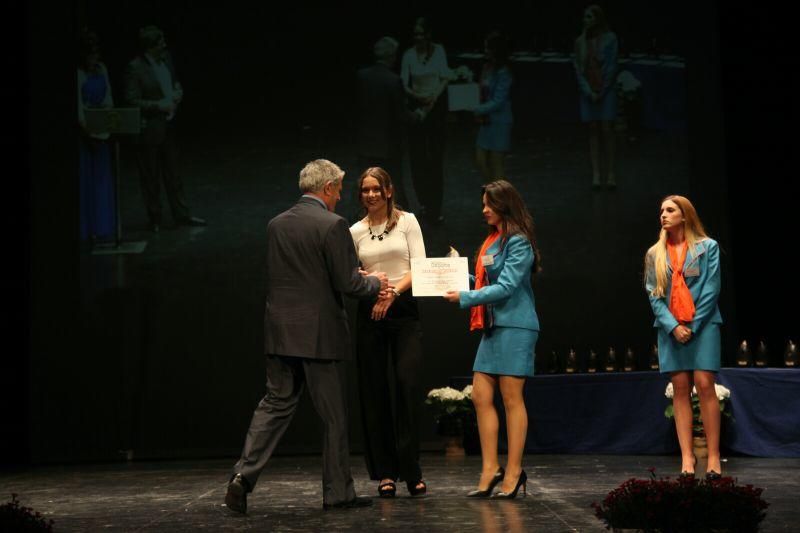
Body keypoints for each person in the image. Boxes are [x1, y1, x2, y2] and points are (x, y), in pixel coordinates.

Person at [224, 159, 389, 513]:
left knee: (275, 405)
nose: (341, 197)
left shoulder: (276, 225)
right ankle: (338, 493)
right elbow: (348, 283)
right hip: (319, 336)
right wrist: (376, 282)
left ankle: (242, 477)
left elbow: (298, 275)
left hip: (281, 331)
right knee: (333, 417)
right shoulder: (333, 225)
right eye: (340, 190)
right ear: (328, 188)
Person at [443, 180, 541, 499]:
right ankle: (490, 469)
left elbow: (507, 287)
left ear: (504, 205)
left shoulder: (519, 241)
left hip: (515, 326)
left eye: (489, 204)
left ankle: (514, 472)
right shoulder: (493, 240)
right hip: (493, 327)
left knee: (512, 399)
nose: (483, 210)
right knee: (481, 396)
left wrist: (465, 296)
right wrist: (455, 274)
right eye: (483, 203)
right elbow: (487, 281)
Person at [349, 167, 427, 498]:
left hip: (404, 310)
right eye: (365, 190)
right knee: (374, 391)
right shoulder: (354, 231)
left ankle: (411, 469)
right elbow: (352, 272)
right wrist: (374, 291)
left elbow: (419, 265)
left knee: (406, 385)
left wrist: (392, 293)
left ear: (389, 191)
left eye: (376, 189)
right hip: (370, 309)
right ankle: (385, 472)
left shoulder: (407, 221)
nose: (370, 195)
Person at [644, 195, 723, 479]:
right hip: (671, 329)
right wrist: (672, 326)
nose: (663, 215)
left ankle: (713, 456)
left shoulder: (707, 247)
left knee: (704, 384)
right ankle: (687, 458)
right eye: (661, 211)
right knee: (679, 388)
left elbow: (712, 288)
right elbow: (654, 295)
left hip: (703, 325)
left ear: (685, 215)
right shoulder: (655, 253)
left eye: (669, 210)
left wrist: (694, 324)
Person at [124, 25, 206, 232]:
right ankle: (155, 219)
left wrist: (178, 91)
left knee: (174, 174)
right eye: (160, 42)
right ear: (150, 46)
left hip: (169, 127)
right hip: (149, 130)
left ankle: (182, 215)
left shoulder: (166, 59)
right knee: (151, 176)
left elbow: (174, 82)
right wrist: (159, 105)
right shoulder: (135, 67)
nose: (164, 45)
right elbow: (132, 99)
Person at [355, 37, 422, 210]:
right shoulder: (393, 80)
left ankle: (367, 215)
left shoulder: (362, 76)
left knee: (367, 183)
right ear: (392, 56)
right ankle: (399, 218)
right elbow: (401, 113)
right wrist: (417, 116)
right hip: (388, 144)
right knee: (393, 182)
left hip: (366, 141)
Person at [400, 17, 450, 225]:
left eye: (422, 33)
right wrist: (418, 97)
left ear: (428, 35)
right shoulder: (409, 54)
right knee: (417, 158)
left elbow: (444, 76)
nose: (418, 37)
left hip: (435, 107)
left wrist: (433, 98)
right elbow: (402, 81)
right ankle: (422, 204)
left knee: (435, 160)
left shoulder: (438, 50)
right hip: (417, 107)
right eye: (416, 34)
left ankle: (435, 208)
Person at [573, 5, 619, 190]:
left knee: (607, 129)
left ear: (598, 19)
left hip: (605, 90)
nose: (586, 20)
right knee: (592, 129)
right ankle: (596, 174)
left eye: (590, 16)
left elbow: (611, 65)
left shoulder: (610, 39)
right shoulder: (580, 42)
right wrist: (589, 91)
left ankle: (610, 173)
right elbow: (578, 69)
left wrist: (602, 90)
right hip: (588, 91)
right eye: (585, 17)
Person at [78, 29, 115, 245]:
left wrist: (105, 127)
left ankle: (101, 226)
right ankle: (86, 228)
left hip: (101, 133)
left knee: (101, 181)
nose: (95, 58)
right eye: (91, 54)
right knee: (86, 182)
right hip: (85, 136)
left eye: (96, 53)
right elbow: (79, 110)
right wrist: (89, 132)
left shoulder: (102, 69)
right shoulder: (78, 74)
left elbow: (108, 98)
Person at [474, 31, 513, 182]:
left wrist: (477, 110)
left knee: (497, 165)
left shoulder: (504, 73)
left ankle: (501, 201)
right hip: (486, 121)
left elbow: (499, 101)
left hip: (500, 122)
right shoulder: (486, 68)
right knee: (480, 160)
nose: (485, 51)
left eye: (488, 48)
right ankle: (497, 194)